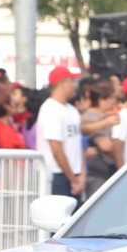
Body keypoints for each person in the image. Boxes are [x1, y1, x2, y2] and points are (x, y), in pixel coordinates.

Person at [36, 66, 85, 199]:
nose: (75, 85)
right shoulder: (50, 109)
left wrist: (82, 175)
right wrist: (73, 180)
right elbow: (56, 149)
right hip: (56, 175)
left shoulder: (72, 110)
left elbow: (78, 144)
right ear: (63, 83)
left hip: (74, 174)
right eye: (72, 81)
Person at [83, 80, 120, 197]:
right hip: (97, 174)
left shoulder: (103, 117)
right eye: (111, 98)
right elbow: (106, 145)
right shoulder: (90, 116)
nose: (114, 101)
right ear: (101, 100)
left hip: (104, 172)